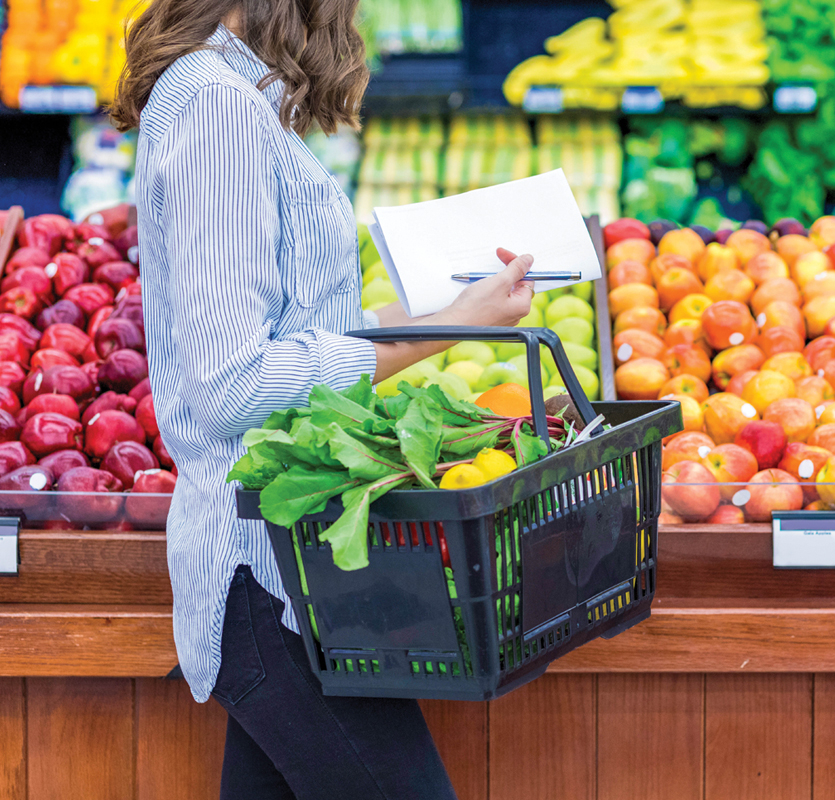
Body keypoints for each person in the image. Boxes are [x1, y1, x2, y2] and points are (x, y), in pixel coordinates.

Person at [110, 2, 534, 797]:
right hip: (267, 577)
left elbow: (302, 332)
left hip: (298, 568)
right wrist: (443, 332)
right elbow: (233, 383)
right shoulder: (217, 109)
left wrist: (453, 312)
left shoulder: (235, 97)